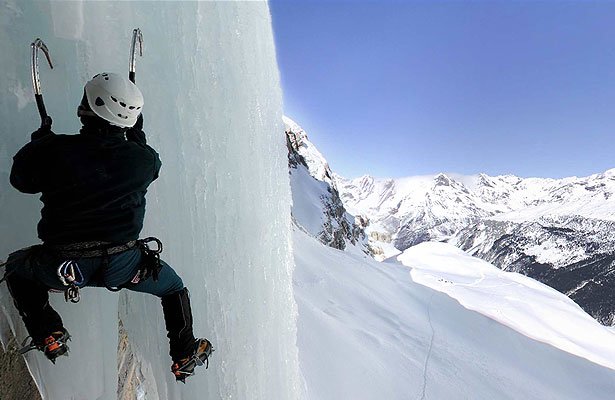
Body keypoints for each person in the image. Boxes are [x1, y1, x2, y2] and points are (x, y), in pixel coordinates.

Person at [5, 72, 212, 382]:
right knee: (172, 288)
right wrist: (137, 138)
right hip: (124, 265)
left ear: (90, 106)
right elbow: (149, 163)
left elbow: (20, 180)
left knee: (17, 268)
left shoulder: (56, 151)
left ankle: (48, 332)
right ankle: (184, 353)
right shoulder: (143, 161)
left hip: (65, 265)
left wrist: (39, 145)